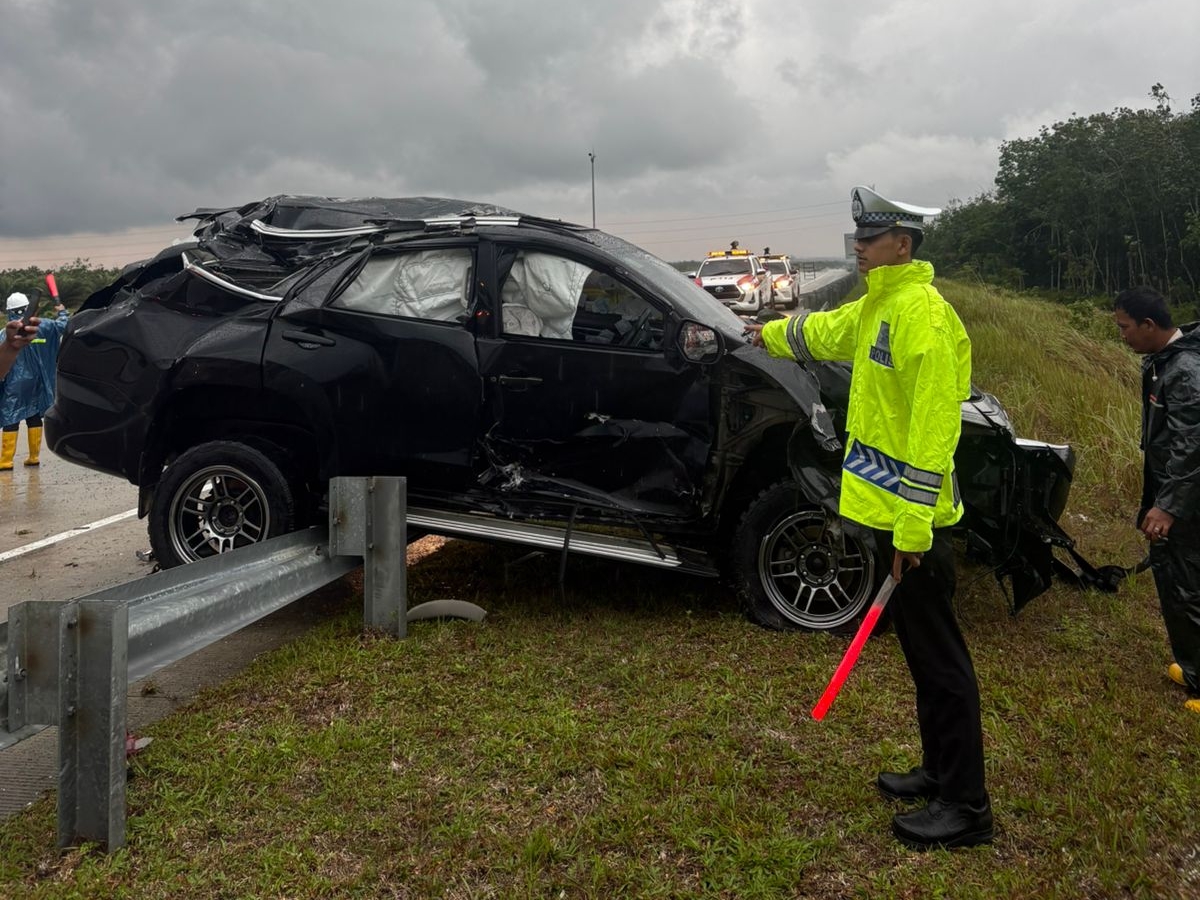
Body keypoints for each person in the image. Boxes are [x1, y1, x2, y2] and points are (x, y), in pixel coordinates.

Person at [747, 185, 991, 849]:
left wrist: (912, 532)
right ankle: (938, 772)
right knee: (921, 656)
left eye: (869, 238)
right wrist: (765, 332)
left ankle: (967, 807)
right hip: (892, 522)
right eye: (857, 236)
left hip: (917, 529)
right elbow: (825, 331)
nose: (857, 246)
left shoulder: (924, 317)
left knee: (942, 664)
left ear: (902, 245)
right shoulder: (881, 304)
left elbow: (934, 435)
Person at [1113, 286, 1200, 715]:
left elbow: (1192, 446)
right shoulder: (1162, 360)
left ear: (1149, 325)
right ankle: (1193, 667)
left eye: (1125, 327)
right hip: (1173, 490)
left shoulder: (1184, 371)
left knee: (1188, 586)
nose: (1122, 336)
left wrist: (1167, 506)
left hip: (1187, 500)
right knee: (1176, 580)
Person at [1, 291, 68, 471]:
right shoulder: (45, 325)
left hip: (15, 382)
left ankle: (6, 460)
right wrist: (62, 311)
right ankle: (33, 457)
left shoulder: (6, 333)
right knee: (34, 415)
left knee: (11, 415)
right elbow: (65, 325)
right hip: (39, 380)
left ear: (10, 311)